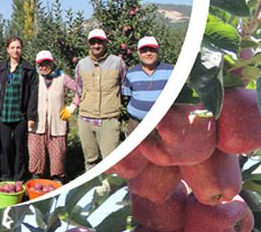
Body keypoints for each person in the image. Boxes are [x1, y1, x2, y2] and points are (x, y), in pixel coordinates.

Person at [74, 29, 126, 172]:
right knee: (90, 160)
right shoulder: (81, 65)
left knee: (111, 161)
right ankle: (94, 189)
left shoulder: (117, 63)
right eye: (93, 42)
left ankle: (111, 189)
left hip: (109, 119)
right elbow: (79, 88)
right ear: (88, 44)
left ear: (105, 43)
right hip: (86, 118)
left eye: (99, 42)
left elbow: (123, 87)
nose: (96, 45)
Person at [29, 50, 79, 182]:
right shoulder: (33, 77)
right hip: (37, 124)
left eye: (47, 63)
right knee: (35, 156)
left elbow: (80, 89)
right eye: (41, 64)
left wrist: (72, 106)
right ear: (36, 64)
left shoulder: (61, 77)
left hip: (57, 123)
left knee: (58, 155)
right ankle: (37, 180)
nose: (44, 67)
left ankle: (57, 180)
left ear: (52, 63)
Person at [0, 36, 37, 181]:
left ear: (22, 49)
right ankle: (6, 176)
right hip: (4, 114)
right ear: (7, 49)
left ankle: (19, 177)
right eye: (12, 47)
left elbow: (33, 94)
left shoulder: (28, 69)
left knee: (19, 148)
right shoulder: (0, 68)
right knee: (5, 147)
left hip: (20, 115)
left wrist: (31, 116)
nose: (15, 50)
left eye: (18, 47)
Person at [123, 36, 174, 135]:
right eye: (144, 51)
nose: (148, 53)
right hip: (136, 124)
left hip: (164, 125)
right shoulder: (131, 73)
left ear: (157, 51)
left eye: (152, 50)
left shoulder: (171, 71)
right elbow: (128, 96)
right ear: (138, 53)